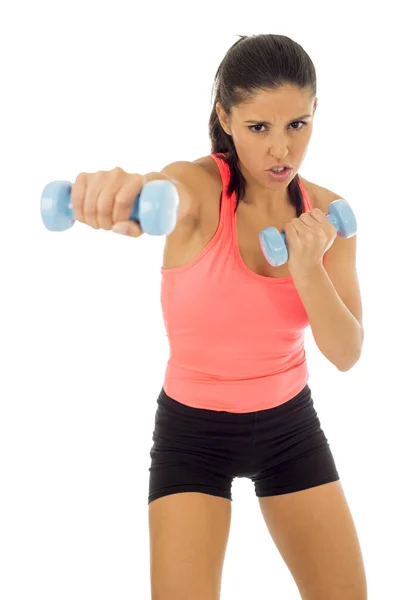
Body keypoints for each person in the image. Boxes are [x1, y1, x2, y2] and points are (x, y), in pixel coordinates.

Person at [71, 34, 367, 600]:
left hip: (290, 430)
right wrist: (123, 195)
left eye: (297, 125)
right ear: (225, 118)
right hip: (193, 434)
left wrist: (309, 268)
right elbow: (161, 193)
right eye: (259, 128)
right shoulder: (202, 190)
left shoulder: (329, 216)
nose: (281, 150)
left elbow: (348, 353)